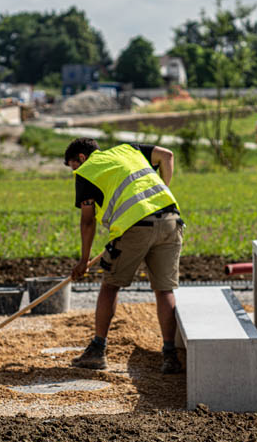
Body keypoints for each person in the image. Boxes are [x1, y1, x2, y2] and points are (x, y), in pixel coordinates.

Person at [63, 137, 184, 374]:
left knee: (110, 286)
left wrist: (84, 261)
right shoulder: (128, 149)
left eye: (73, 166)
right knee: (164, 290)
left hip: (134, 227)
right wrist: (161, 193)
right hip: (170, 219)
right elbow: (167, 156)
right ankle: (170, 356)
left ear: (81, 158)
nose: (75, 172)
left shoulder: (86, 171)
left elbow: (88, 221)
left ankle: (98, 350)